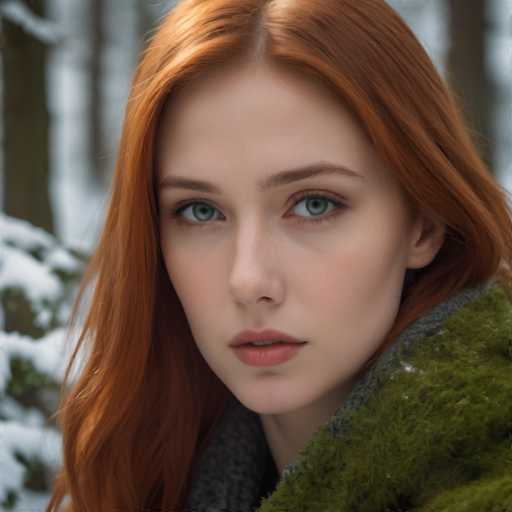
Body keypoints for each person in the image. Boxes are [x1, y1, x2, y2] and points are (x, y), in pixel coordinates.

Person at [46, 0, 512, 511]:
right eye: (200, 211)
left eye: (315, 205)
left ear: (423, 224)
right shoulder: (144, 476)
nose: (248, 280)